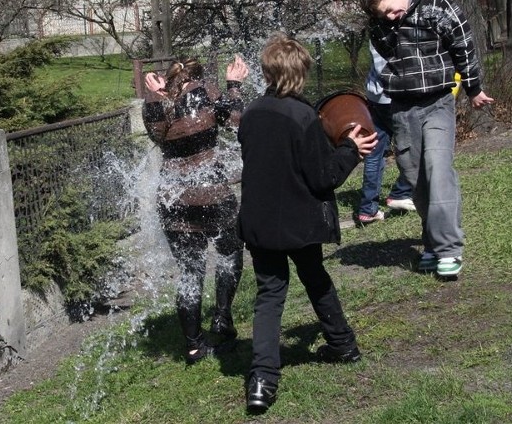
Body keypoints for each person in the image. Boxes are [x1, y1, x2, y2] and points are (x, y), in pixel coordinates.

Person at [237, 34, 377, 412]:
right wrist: (352, 149)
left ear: (268, 71)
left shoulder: (251, 113)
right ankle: (343, 345)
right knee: (315, 277)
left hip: (260, 222)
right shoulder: (303, 117)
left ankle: (262, 382)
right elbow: (323, 178)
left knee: (269, 297)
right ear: (300, 75)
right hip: (299, 222)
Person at [358, 0, 494, 279]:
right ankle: (432, 243)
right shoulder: (379, 23)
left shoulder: (436, 7)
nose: (391, 18)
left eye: (391, 12)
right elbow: (386, 58)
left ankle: (449, 250)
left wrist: (473, 89)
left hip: (438, 102)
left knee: (438, 169)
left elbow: (464, 44)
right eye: (384, 16)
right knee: (415, 178)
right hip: (402, 109)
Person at [142, 55, 249, 365]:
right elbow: (236, 121)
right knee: (230, 254)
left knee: (190, 271)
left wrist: (154, 96)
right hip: (213, 194)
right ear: (197, 74)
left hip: (173, 199)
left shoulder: (156, 105)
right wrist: (234, 86)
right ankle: (222, 317)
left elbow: (156, 134)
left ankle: (192, 345)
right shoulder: (206, 92)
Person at [356, 44, 416, 225]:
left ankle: (368, 209)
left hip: (375, 96)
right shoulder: (396, 27)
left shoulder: (376, 26)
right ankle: (401, 192)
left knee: (374, 152)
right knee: (414, 145)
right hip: (394, 96)